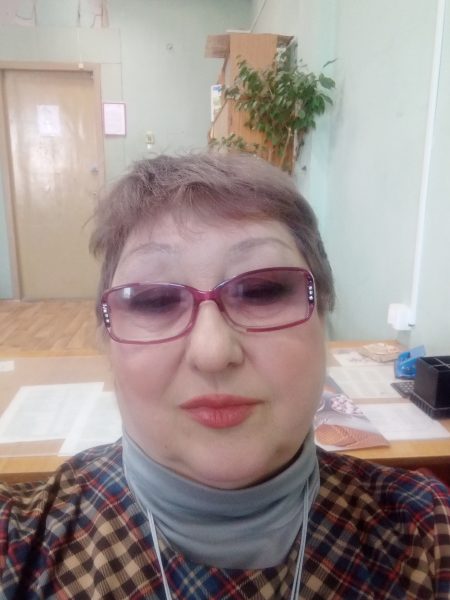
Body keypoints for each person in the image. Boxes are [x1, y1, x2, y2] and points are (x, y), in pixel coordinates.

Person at [0, 153, 449, 600]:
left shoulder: (428, 535)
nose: (213, 352)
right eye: (154, 300)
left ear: (325, 316)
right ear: (106, 340)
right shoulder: (19, 549)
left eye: (262, 291)